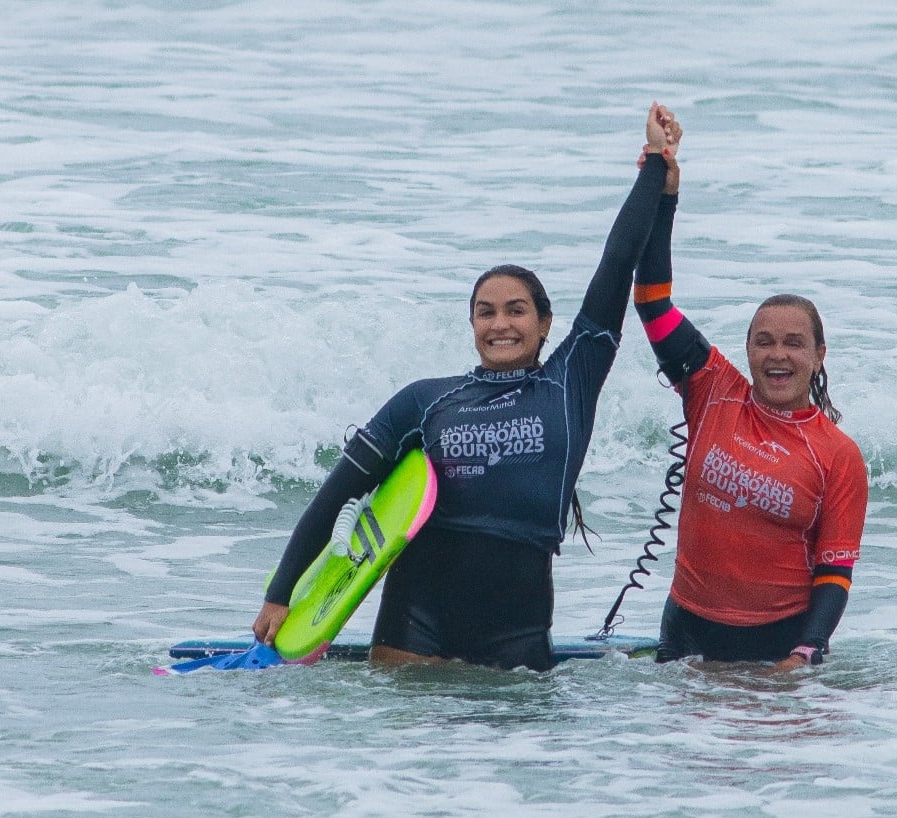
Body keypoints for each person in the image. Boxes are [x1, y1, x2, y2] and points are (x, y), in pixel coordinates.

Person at [251, 104, 683, 672]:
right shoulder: (424, 401)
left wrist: (657, 171)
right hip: (415, 621)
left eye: (515, 310)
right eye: (485, 312)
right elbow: (337, 495)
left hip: (519, 635)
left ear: (545, 323)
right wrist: (280, 595)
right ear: (472, 324)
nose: (500, 324)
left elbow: (618, 262)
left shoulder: (570, 382)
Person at [630, 114, 867, 671]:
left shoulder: (837, 455)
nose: (777, 355)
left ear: (818, 356)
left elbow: (835, 572)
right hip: (684, 629)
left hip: (775, 647)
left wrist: (805, 654)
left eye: (793, 343)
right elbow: (653, 301)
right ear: (747, 350)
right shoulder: (713, 388)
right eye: (763, 342)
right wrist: (663, 191)